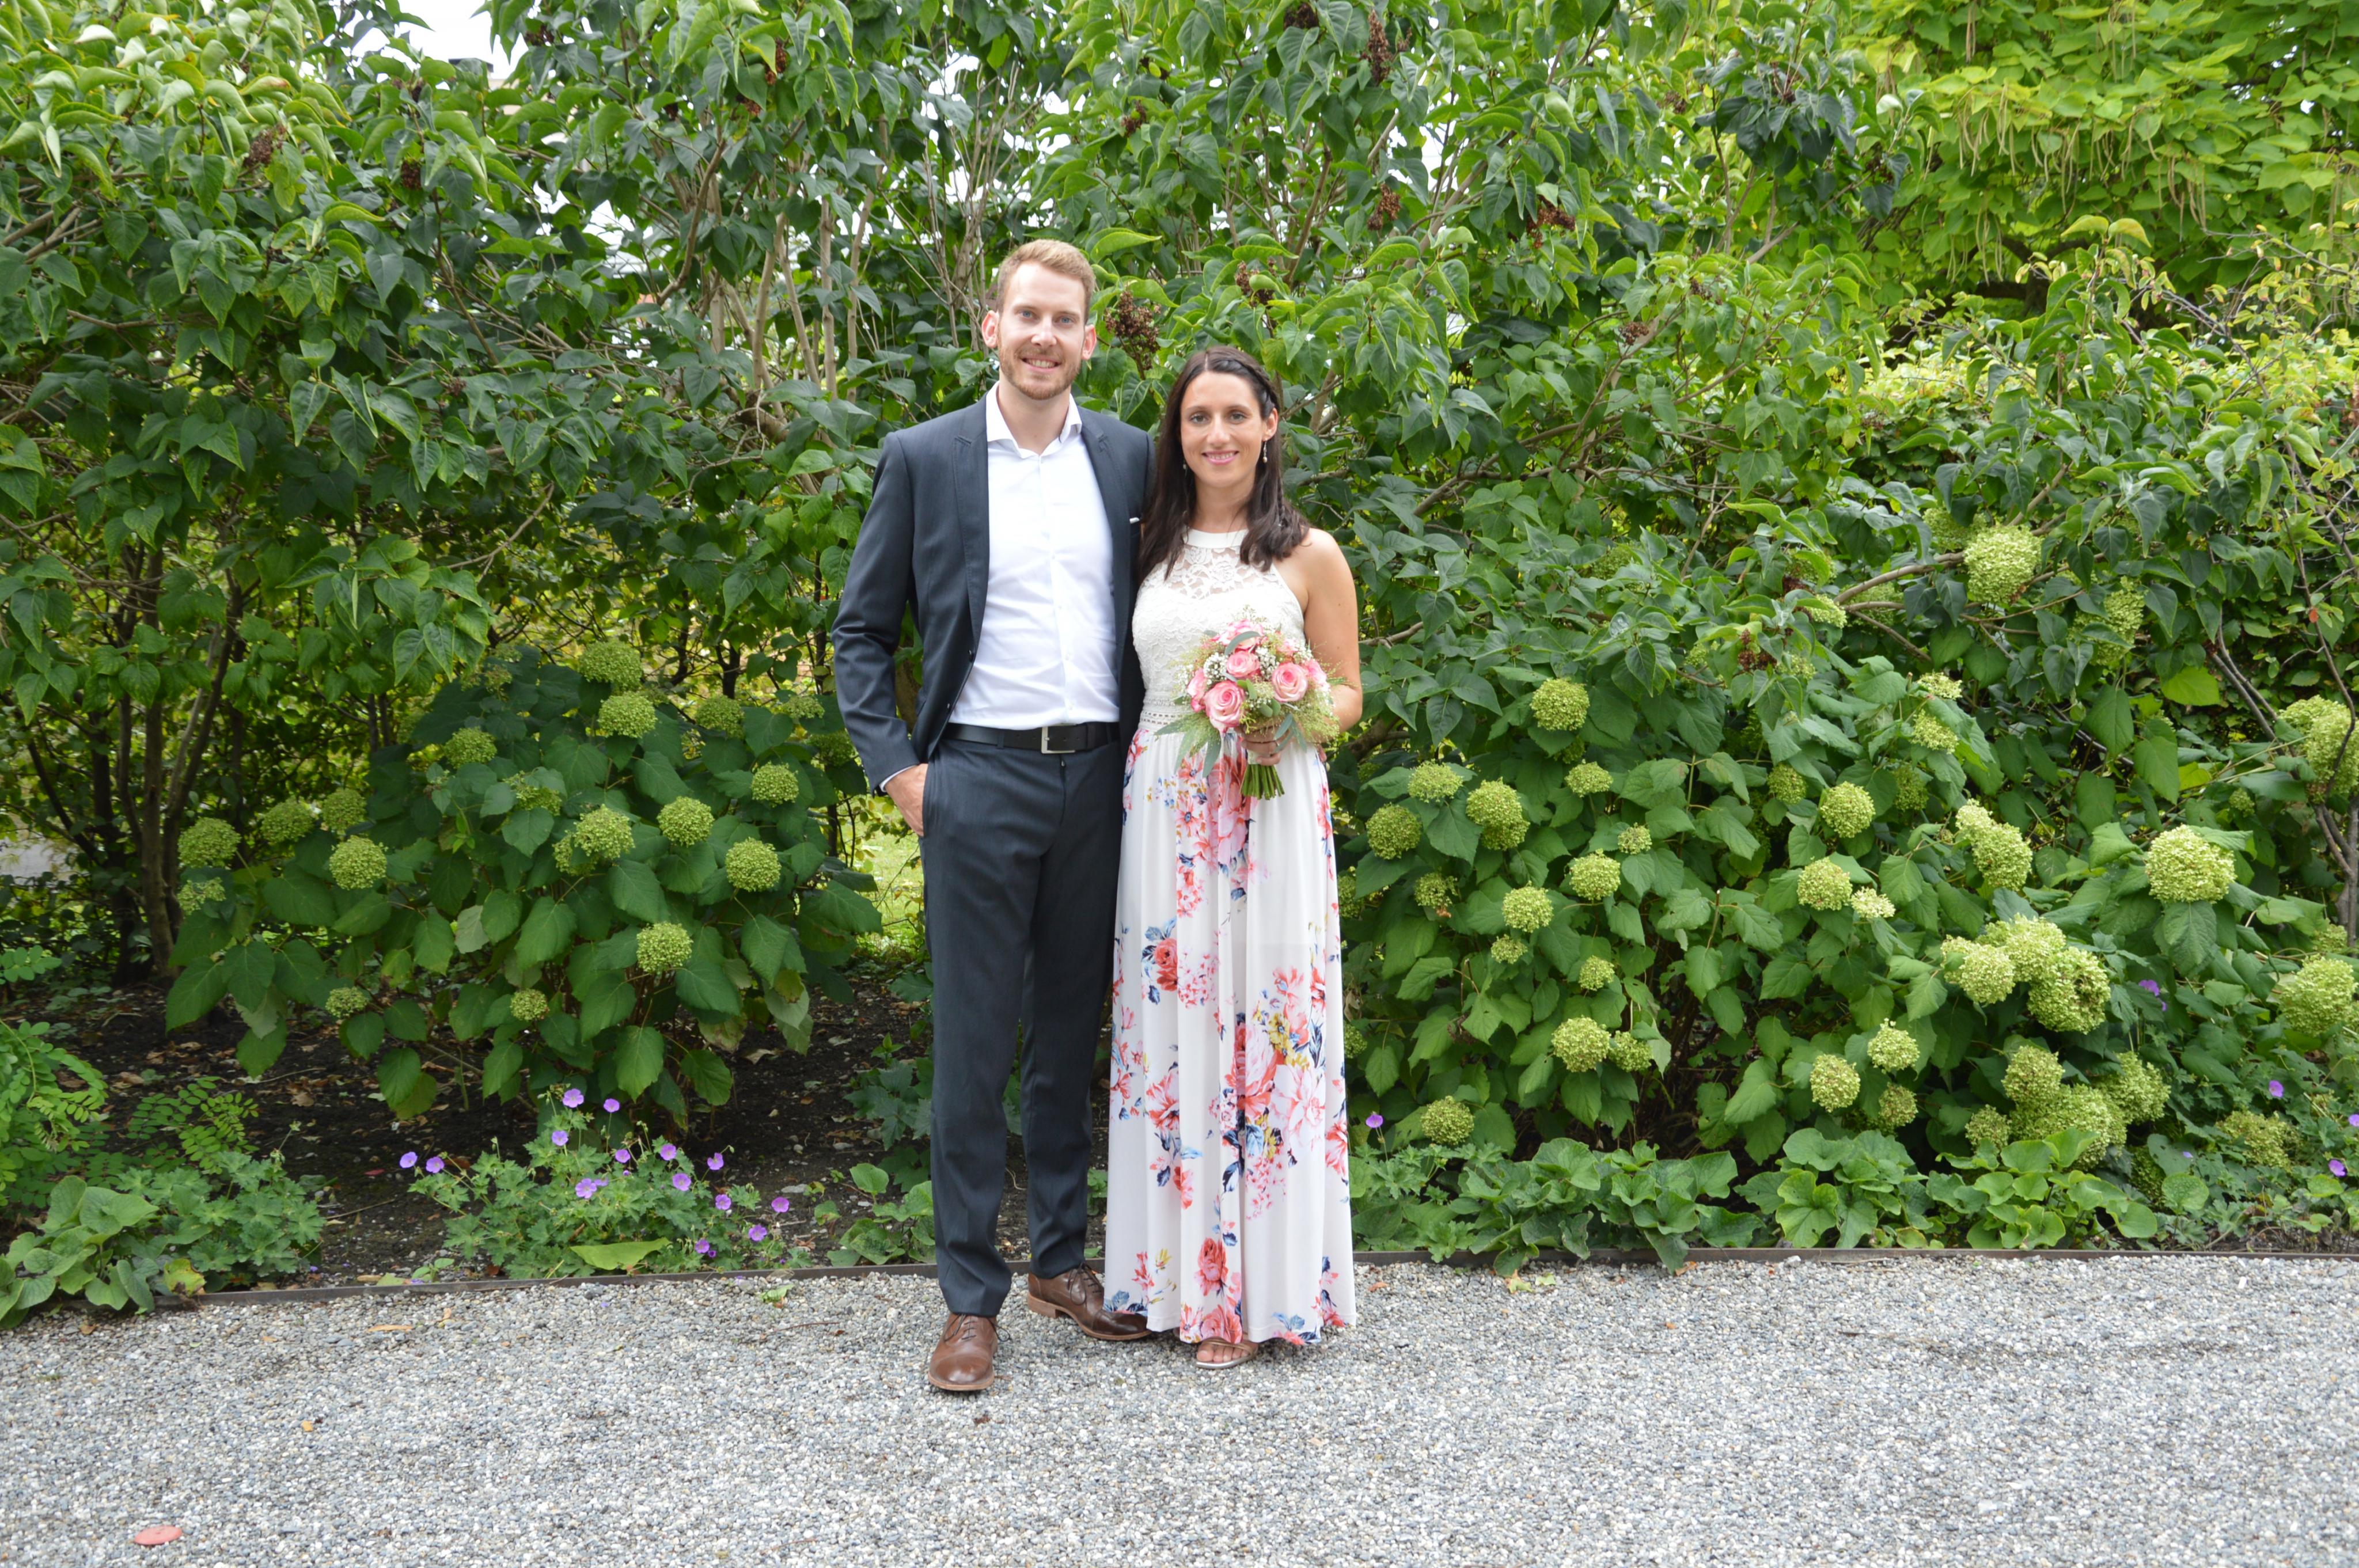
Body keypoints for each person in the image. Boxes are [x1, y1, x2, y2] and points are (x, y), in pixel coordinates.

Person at [832, 238, 1155, 1394]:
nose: (1043, 337)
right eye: (1027, 316)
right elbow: (861, 631)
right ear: (991, 326)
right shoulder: (924, 458)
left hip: (1102, 781)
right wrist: (900, 773)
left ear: (1088, 339)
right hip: (975, 778)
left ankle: (1060, 1261)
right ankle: (969, 1299)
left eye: (1064, 321)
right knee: (973, 1046)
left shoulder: (1129, 458)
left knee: (1069, 1035)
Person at [1102, 346, 1361, 1367]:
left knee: (1268, 1026)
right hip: (1165, 807)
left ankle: (1260, 1299)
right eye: (1196, 418)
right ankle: (1173, 1284)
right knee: (1171, 1030)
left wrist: (1287, 716)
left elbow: (1348, 689)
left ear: (1270, 425)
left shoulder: (1311, 554)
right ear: (1177, 436)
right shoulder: (1144, 548)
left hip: (1270, 802)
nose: (1216, 435)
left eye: (1235, 416)